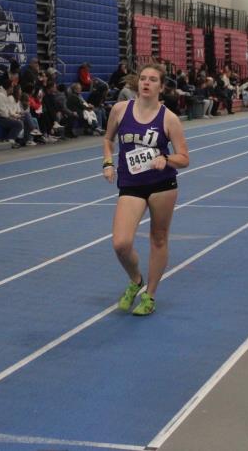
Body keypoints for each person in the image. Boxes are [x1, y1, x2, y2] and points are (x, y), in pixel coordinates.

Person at [102, 63, 190, 316]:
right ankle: (135, 279)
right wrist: (108, 162)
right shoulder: (120, 110)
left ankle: (149, 295)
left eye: (153, 79)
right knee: (121, 243)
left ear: (161, 87)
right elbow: (108, 139)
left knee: (158, 238)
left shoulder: (169, 118)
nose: (146, 83)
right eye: (143, 78)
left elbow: (184, 158)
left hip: (162, 185)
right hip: (131, 184)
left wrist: (167, 159)